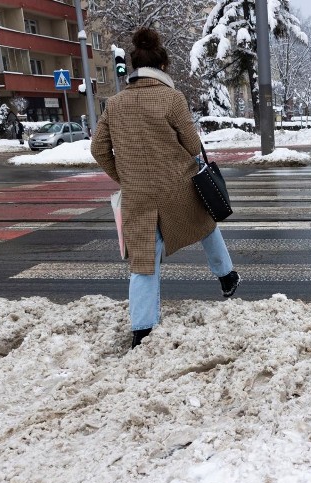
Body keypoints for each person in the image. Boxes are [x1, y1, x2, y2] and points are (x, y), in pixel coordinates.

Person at [91, 27, 240, 349]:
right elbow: (191, 144)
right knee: (204, 222)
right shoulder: (172, 98)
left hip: (138, 195)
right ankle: (227, 276)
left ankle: (142, 330)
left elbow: (98, 150)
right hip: (178, 187)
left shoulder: (114, 105)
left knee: (143, 261)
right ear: (163, 67)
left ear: (133, 67)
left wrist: (125, 177)